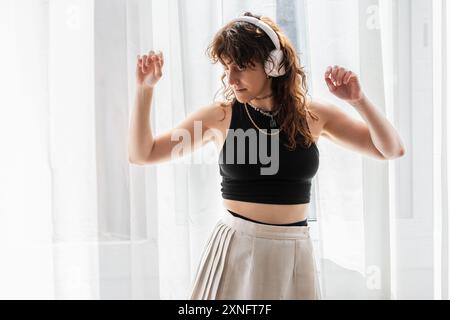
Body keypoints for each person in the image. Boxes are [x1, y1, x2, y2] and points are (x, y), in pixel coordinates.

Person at [128, 12, 406, 300]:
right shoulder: (220, 116)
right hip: (235, 252)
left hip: (294, 251)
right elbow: (143, 154)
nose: (231, 78)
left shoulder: (313, 116)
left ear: (274, 65)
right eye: (226, 68)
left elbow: (391, 149)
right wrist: (144, 89)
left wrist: (358, 101)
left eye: (241, 67)